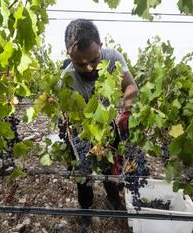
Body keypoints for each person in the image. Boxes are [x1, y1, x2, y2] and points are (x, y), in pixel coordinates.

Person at [61, 19, 138, 227]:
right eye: (80, 63)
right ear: (70, 56)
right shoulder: (66, 80)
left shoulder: (113, 58)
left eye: (94, 60)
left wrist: (127, 110)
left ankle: (113, 198)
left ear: (101, 45)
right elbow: (72, 119)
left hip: (108, 123)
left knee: (110, 165)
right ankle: (85, 208)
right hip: (82, 129)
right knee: (83, 170)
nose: (88, 68)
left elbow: (130, 86)